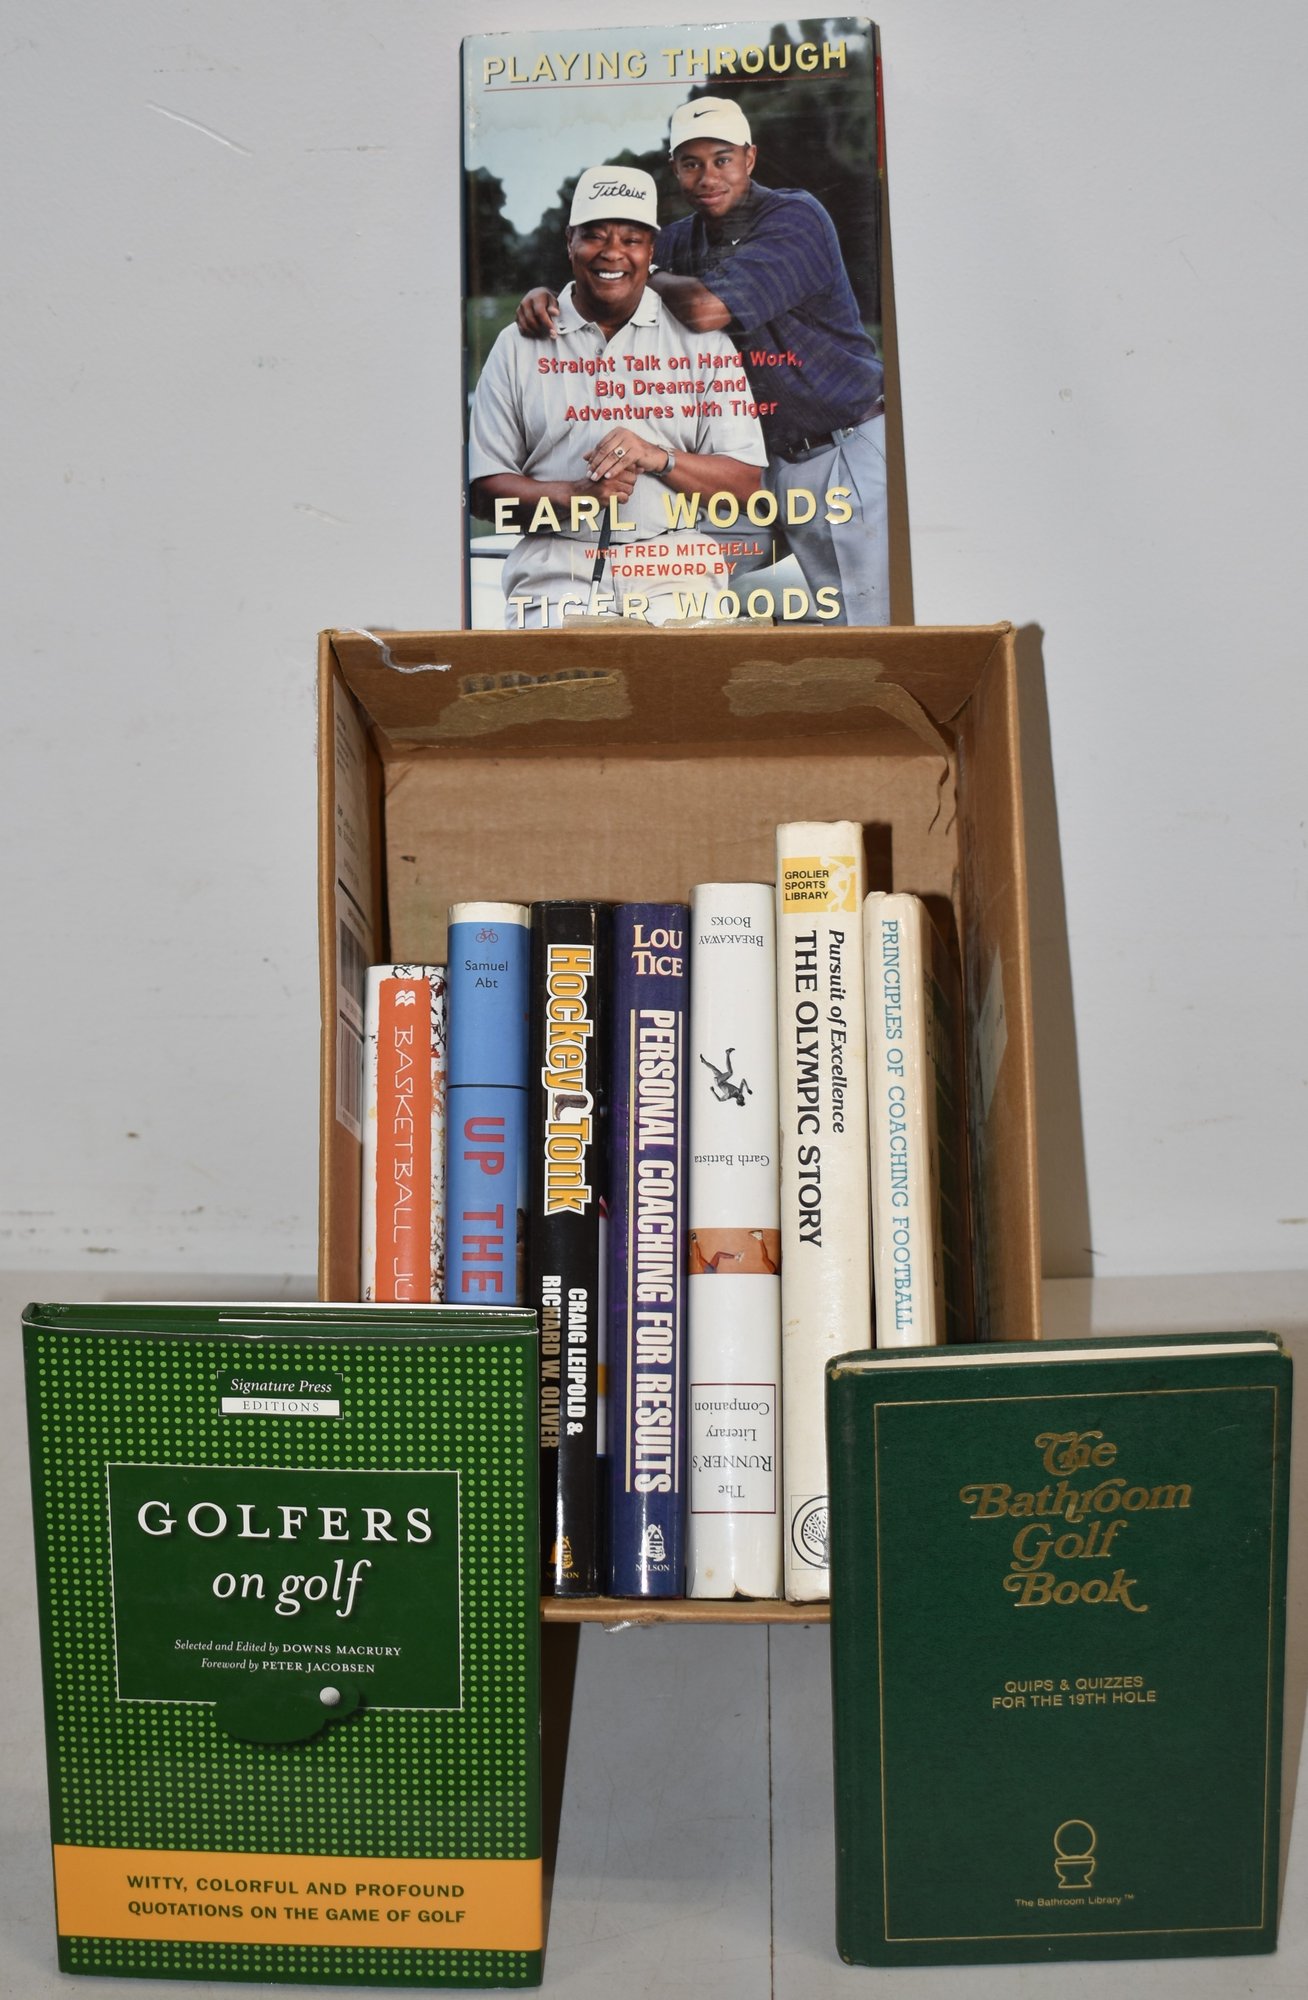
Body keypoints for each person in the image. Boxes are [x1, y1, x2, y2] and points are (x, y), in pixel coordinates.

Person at [517, 100, 889, 626]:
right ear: (675, 168)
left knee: (865, 628)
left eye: (722, 159)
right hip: (754, 467)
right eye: (692, 163)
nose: (708, 177)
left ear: (750, 158)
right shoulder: (679, 239)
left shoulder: (795, 216)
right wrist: (548, 296)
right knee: (664, 573)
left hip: (840, 450)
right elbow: (610, 275)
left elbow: (705, 309)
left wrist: (647, 275)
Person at [468, 164, 766, 628]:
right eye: (594, 236)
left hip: (674, 569)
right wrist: (575, 495)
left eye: (631, 239)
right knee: (555, 677)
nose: (612, 253)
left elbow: (745, 486)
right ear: (569, 242)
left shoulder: (702, 341)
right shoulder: (519, 343)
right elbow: (484, 492)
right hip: (556, 572)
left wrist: (658, 457)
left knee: (689, 674)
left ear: (652, 249)